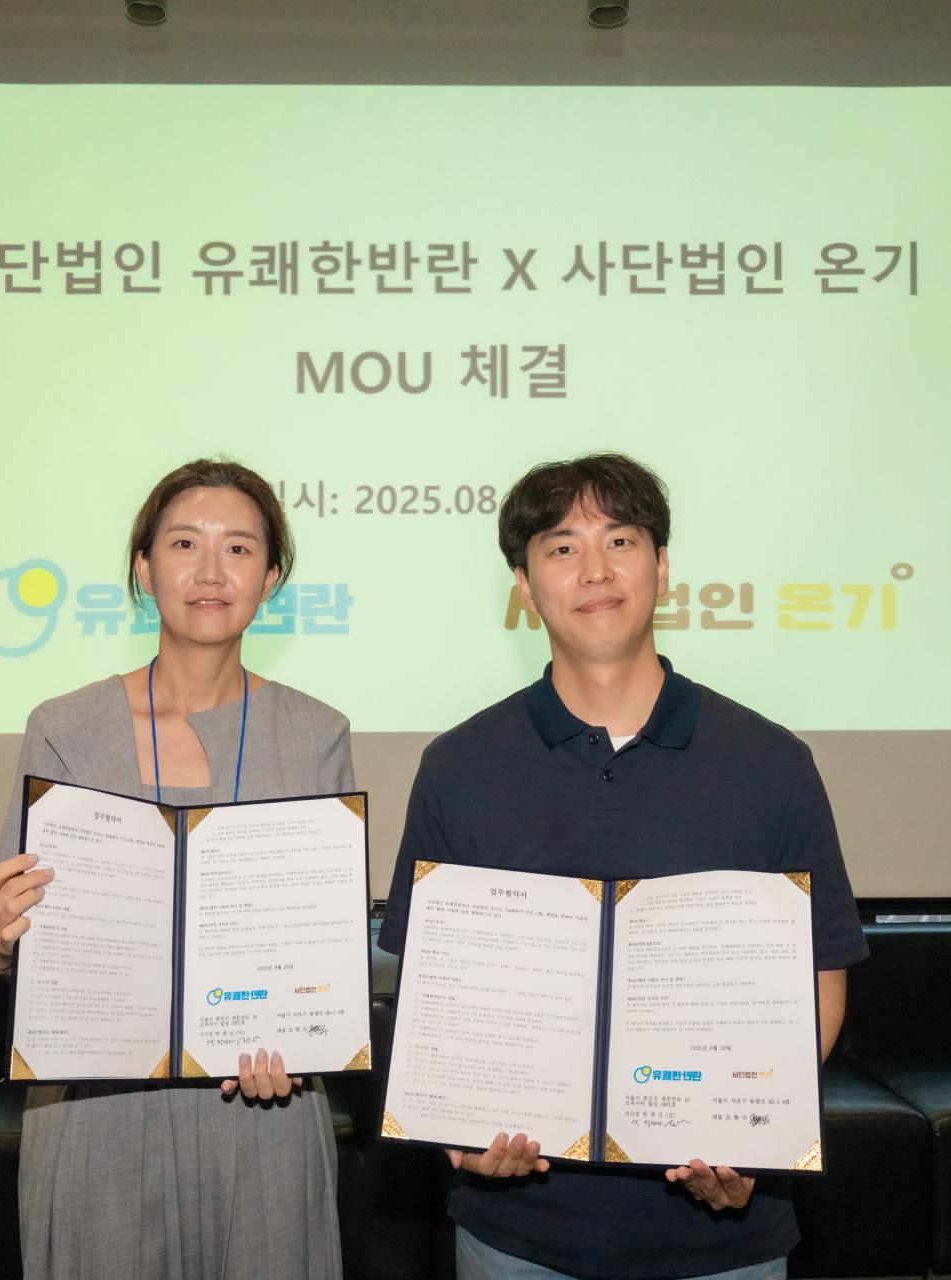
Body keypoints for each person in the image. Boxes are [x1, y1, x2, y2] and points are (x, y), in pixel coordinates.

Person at [377, 453, 868, 1280]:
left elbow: (821, 977)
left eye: (620, 540)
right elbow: (432, 988)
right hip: (517, 1236)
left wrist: (749, 1131)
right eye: (562, 548)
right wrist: (459, 1127)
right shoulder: (458, 767)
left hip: (724, 1238)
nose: (595, 570)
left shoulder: (771, 763)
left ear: (662, 567)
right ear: (525, 586)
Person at [0, 458, 352, 1280]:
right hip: (96, 1118)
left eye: (239, 548)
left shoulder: (316, 734)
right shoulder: (65, 728)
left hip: (263, 1113)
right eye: (184, 544)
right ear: (143, 569)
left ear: (270, 580)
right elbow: (20, 951)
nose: (211, 571)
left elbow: (323, 957)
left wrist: (311, 1027)